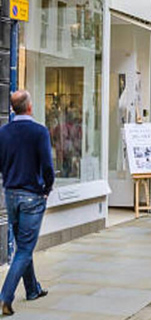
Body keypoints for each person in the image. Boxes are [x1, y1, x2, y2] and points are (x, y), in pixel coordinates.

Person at [0, 91, 54, 315]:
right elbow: (47, 165)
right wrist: (47, 188)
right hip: (32, 195)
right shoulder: (39, 132)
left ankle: (32, 289)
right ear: (29, 107)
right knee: (24, 248)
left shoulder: (3, 132)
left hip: (11, 194)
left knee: (23, 245)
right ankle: (5, 297)